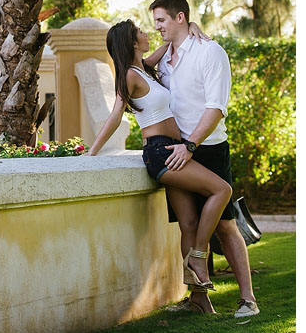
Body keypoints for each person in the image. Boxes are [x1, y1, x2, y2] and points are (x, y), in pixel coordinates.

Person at [86, 19, 234, 314]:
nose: (147, 33)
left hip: (170, 149)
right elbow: (116, 114)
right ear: (131, 42)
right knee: (222, 189)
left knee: (188, 224)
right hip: (160, 153)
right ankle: (197, 254)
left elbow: (170, 43)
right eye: (141, 32)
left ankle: (199, 300)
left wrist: (190, 25)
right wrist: (91, 153)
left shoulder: (145, 68)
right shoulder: (129, 75)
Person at [150, 0, 258, 319]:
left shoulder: (210, 52)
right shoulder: (165, 58)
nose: (156, 27)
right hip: (174, 150)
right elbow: (136, 66)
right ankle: (199, 299)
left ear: (179, 17)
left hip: (206, 149)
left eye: (161, 20)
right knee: (188, 224)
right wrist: (168, 43)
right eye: (154, 21)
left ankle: (248, 301)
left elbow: (216, 109)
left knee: (226, 226)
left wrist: (191, 146)